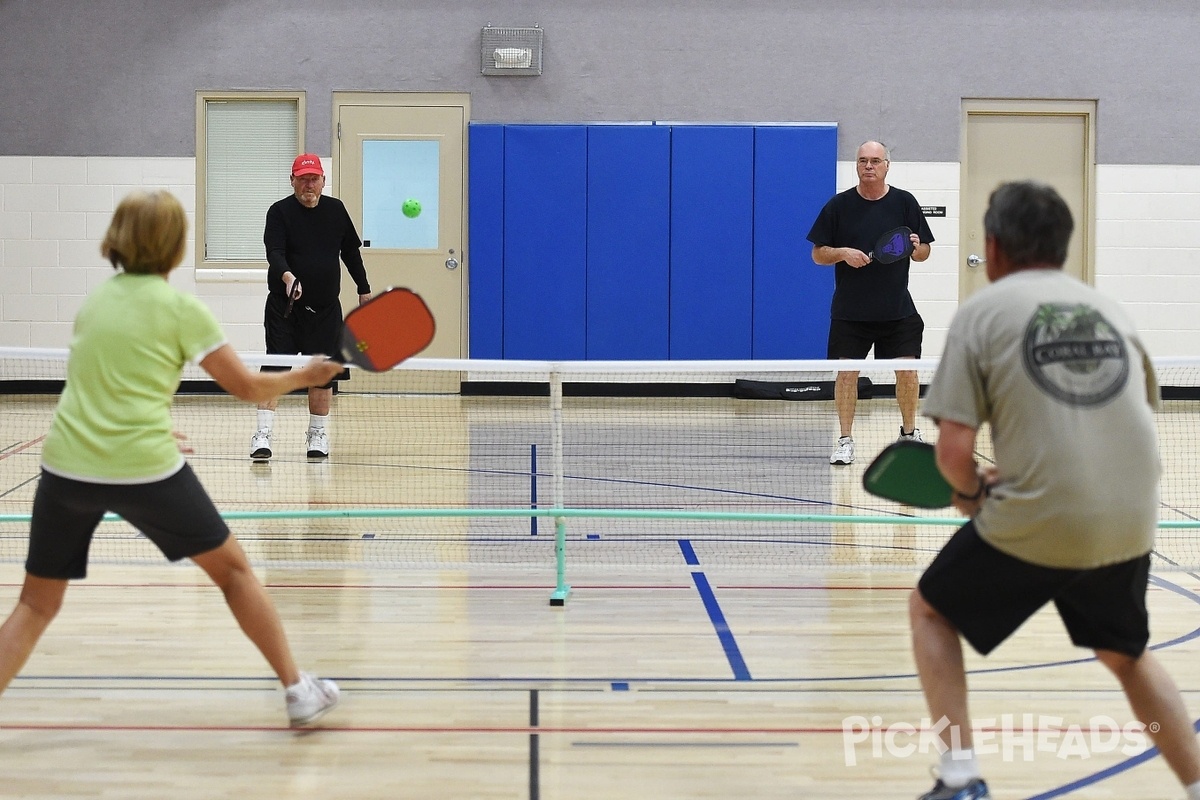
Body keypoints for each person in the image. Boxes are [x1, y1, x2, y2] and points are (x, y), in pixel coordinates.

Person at [0, 190, 343, 727]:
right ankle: (299, 690)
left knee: (35, 605)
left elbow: (103, 385)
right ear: (176, 246)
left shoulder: (96, 302)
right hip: (144, 468)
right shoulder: (182, 310)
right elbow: (249, 387)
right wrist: (307, 374)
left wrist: (153, 425)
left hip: (66, 465)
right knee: (233, 574)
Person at [910, 181, 1200, 800]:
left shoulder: (980, 315)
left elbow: (954, 454)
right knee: (1125, 654)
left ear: (992, 246)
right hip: (1131, 515)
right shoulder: (1108, 310)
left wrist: (967, 493)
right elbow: (1133, 425)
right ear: (1063, 247)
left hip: (1046, 514)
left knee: (931, 610)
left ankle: (960, 779)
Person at [807, 140, 934, 465]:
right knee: (847, 375)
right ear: (857, 165)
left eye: (875, 161)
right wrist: (842, 253)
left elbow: (923, 254)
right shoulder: (839, 206)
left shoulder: (905, 202)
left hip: (897, 309)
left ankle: (909, 434)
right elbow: (818, 254)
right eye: (863, 160)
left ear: (886, 165)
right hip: (851, 311)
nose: (868, 166)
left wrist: (917, 246)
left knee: (907, 372)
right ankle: (845, 440)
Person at [251, 153, 371, 461]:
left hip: (326, 310)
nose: (308, 184)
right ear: (292, 180)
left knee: (322, 374)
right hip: (285, 309)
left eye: (314, 179)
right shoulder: (278, 212)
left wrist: (364, 289)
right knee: (276, 368)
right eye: (302, 179)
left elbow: (351, 254)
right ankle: (262, 435)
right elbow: (274, 253)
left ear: (323, 181)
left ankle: (317, 435)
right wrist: (288, 277)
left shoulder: (336, 210)